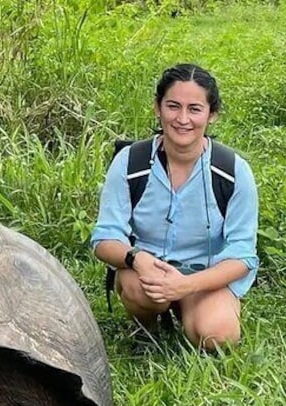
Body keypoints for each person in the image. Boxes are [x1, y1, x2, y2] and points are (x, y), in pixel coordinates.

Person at [92, 63, 258, 351]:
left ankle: (190, 309)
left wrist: (186, 286)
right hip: (147, 271)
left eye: (195, 109)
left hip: (204, 275)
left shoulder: (233, 171)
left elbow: (242, 256)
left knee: (218, 335)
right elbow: (104, 239)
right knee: (136, 288)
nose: (182, 119)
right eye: (173, 106)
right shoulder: (130, 162)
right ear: (158, 107)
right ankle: (147, 329)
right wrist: (136, 258)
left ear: (212, 114)